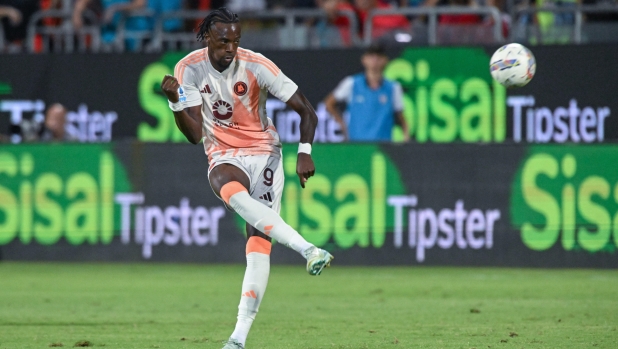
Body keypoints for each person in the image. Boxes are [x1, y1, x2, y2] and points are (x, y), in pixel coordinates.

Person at [159, 8, 334, 349]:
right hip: (223, 155)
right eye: (224, 41)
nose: (231, 48)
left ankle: (238, 338)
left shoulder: (257, 65)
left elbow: (307, 111)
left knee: (257, 245)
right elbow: (195, 135)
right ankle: (308, 249)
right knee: (226, 185)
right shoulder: (188, 69)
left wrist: (304, 151)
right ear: (206, 37)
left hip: (264, 152)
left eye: (236, 41)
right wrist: (175, 102)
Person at [324, 44, 410, 142]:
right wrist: (342, 124)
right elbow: (329, 103)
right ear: (364, 59)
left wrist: (405, 138)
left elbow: (401, 119)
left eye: (378, 56)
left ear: (385, 60)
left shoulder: (393, 88)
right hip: (357, 146)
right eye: (371, 56)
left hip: (382, 148)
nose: (375, 59)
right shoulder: (351, 83)